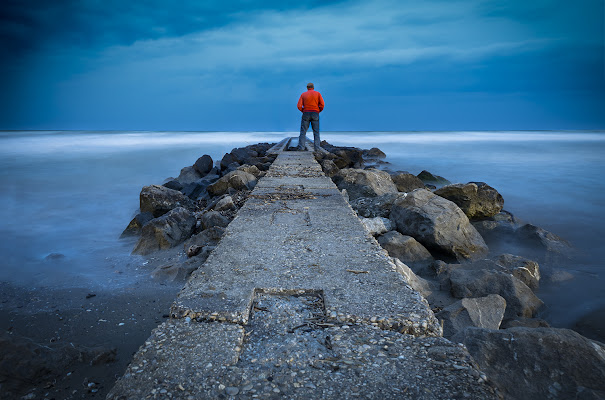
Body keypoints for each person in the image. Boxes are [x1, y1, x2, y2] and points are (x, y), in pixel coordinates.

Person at [297, 82, 324, 151]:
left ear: (307, 88)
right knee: (316, 132)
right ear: (313, 87)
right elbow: (322, 104)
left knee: (303, 132)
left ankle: (301, 148)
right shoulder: (318, 94)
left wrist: (303, 110)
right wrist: (318, 110)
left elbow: (299, 106)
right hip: (315, 113)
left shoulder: (303, 94)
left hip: (306, 113)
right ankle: (317, 149)